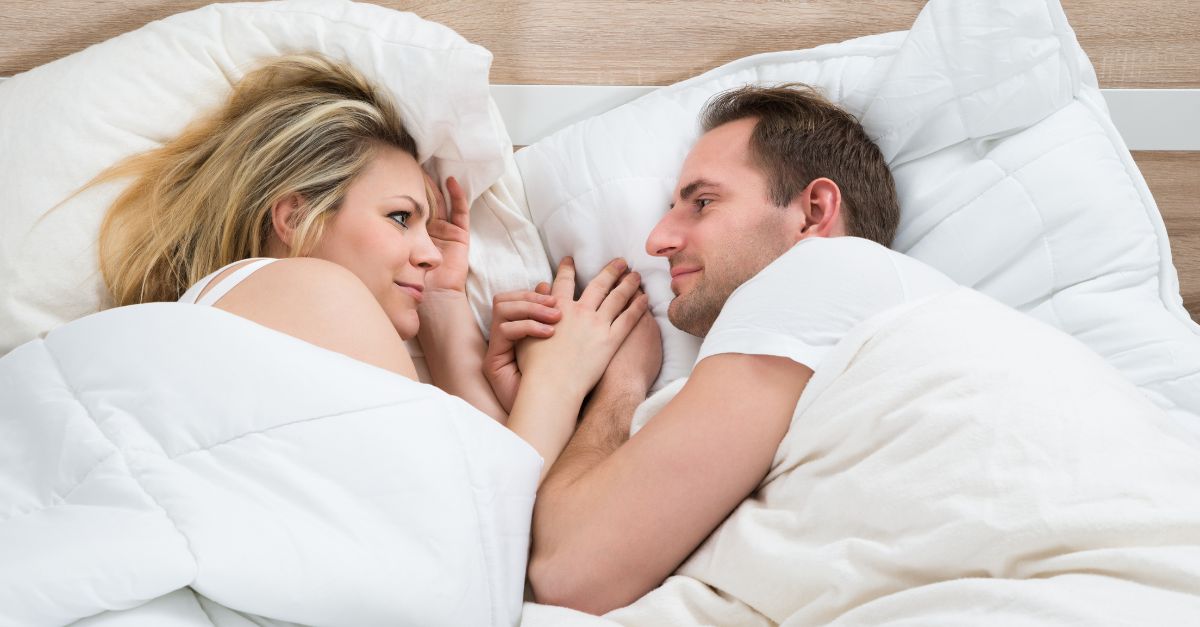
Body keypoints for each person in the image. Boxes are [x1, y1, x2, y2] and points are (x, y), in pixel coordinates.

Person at [91, 53, 647, 480]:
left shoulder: (263, 322)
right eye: (401, 217)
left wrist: (445, 308)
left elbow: (482, 492)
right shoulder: (311, 287)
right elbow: (487, 511)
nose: (431, 252)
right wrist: (561, 377)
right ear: (295, 217)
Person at [515, 84, 960, 612]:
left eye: (702, 203)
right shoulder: (825, 364)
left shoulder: (826, 272)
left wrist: (621, 387)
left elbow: (569, 572)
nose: (656, 241)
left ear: (813, 213)